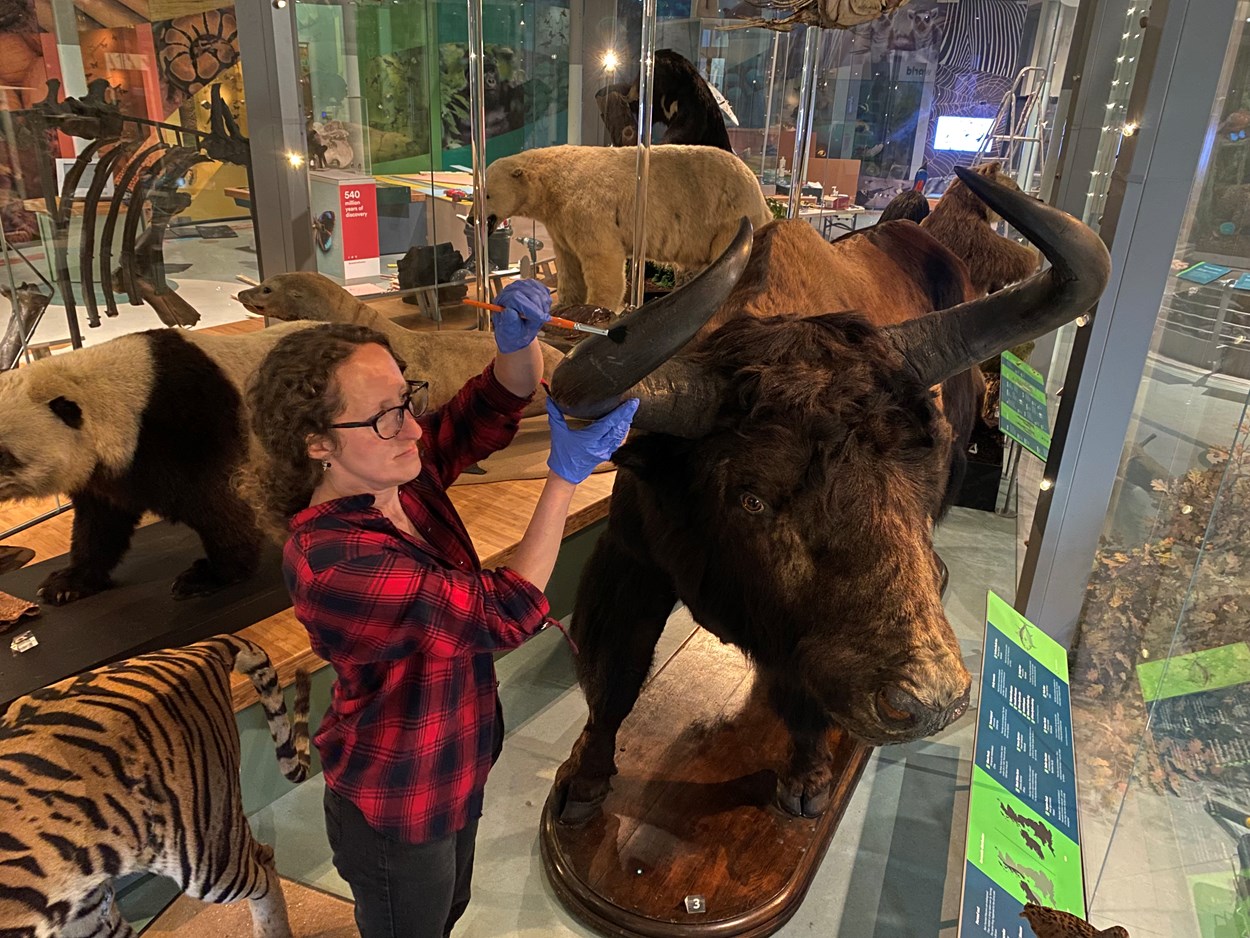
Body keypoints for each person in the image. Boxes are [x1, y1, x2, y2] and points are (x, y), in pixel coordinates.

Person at [245, 279, 638, 938]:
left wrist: (518, 346)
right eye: (383, 417)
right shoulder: (334, 560)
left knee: (449, 909)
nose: (411, 428)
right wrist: (564, 478)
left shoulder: (392, 471)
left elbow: (486, 408)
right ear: (316, 442)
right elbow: (503, 612)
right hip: (401, 800)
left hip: (457, 761)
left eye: (407, 401)